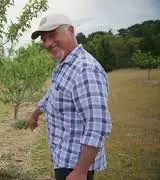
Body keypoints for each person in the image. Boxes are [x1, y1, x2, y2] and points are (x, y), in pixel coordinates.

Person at [25, 14, 112, 180]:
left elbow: (98, 125)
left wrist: (80, 171)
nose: (48, 43)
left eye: (53, 35)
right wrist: (35, 114)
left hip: (75, 163)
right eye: (44, 39)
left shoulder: (85, 69)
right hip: (63, 156)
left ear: (70, 31)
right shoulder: (64, 65)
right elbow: (53, 94)